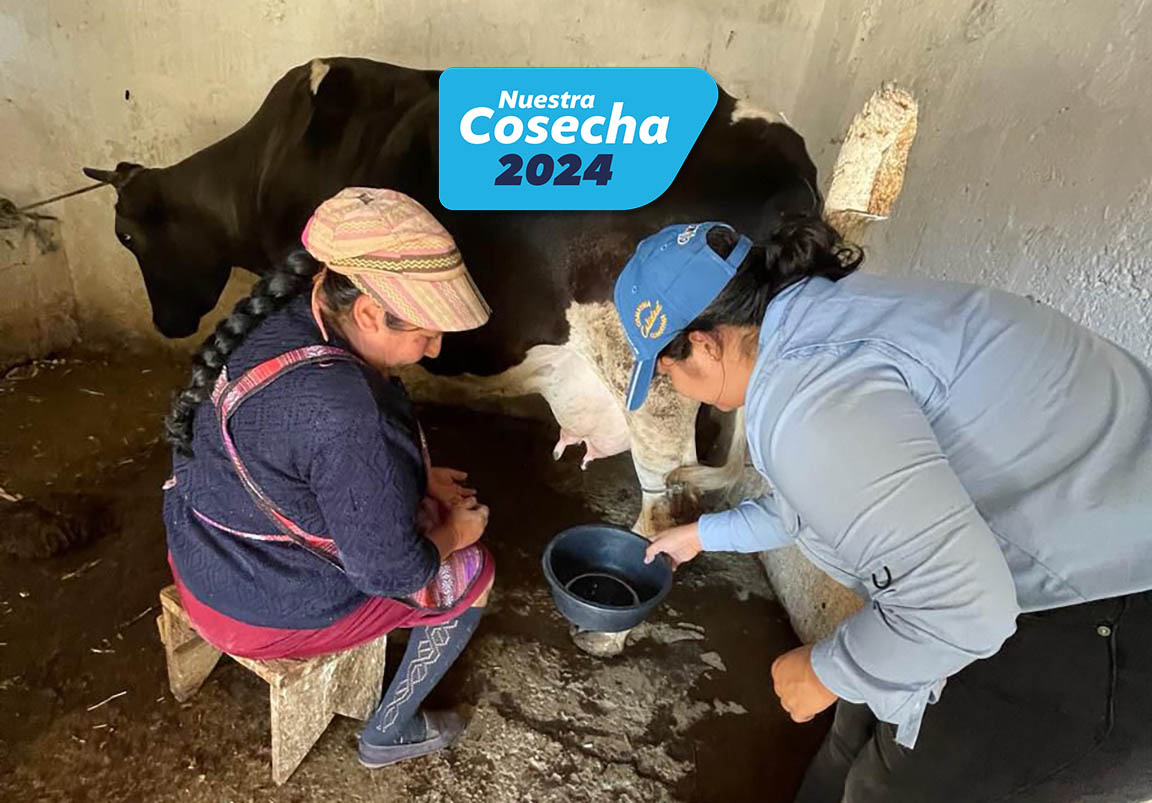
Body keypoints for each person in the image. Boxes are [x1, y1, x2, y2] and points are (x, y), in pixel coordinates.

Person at [616, 217, 1152, 801]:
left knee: (886, 786)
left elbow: (962, 607)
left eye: (667, 373)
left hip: (1105, 611)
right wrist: (702, 535)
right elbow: (815, 500)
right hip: (1010, 570)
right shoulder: (820, 318)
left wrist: (824, 672)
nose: (678, 390)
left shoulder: (811, 392)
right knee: (853, 730)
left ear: (704, 344)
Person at [162, 188, 496, 768]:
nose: (436, 348)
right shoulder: (343, 408)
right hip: (251, 610)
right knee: (475, 572)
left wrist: (413, 479)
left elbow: (297, 457)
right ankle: (388, 732)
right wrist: (455, 535)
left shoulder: (286, 310)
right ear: (366, 313)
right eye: (425, 333)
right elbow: (390, 571)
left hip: (197, 553)